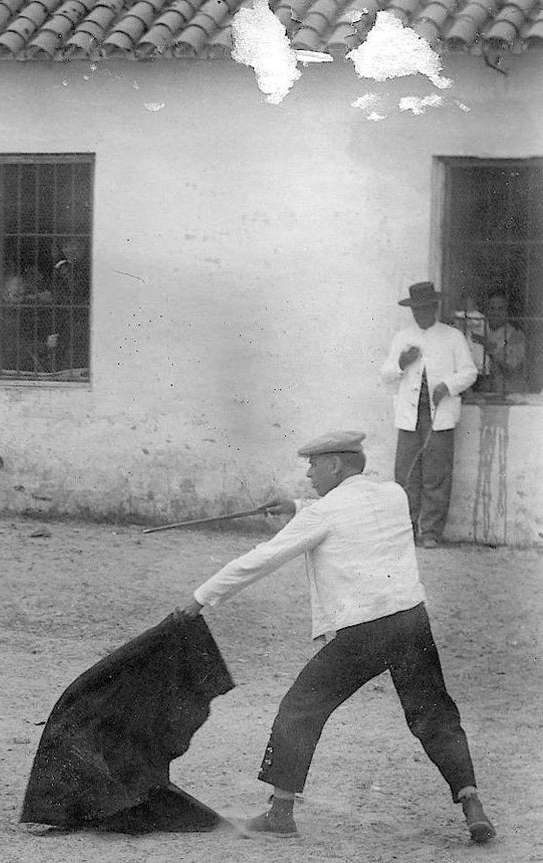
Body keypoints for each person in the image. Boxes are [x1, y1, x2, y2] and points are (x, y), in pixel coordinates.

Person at [177, 430, 496, 845]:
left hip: (365, 629)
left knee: (300, 708)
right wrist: (297, 506)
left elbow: (261, 559)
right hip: (412, 620)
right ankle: (473, 805)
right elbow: (351, 508)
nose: (309, 473)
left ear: (334, 465)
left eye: (313, 464)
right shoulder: (393, 494)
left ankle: (280, 814)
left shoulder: (324, 513)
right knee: (434, 714)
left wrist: (199, 599)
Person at [379, 282, 477, 549]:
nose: (420, 314)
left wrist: (447, 386)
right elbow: (386, 374)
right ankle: (406, 529)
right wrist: (402, 362)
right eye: (416, 310)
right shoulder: (403, 337)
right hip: (409, 416)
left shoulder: (452, 337)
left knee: (437, 474)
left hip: (439, 415)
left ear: (434, 307)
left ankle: (431, 532)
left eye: (425, 309)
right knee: (406, 474)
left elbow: (469, 372)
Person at [472, 293, 527, 395]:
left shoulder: (515, 334)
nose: (496, 312)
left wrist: (488, 346)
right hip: (480, 390)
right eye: (492, 308)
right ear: (485, 311)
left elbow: (512, 365)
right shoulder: (477, 329)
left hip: (507, 391)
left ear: (507, 312)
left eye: (500, 308)